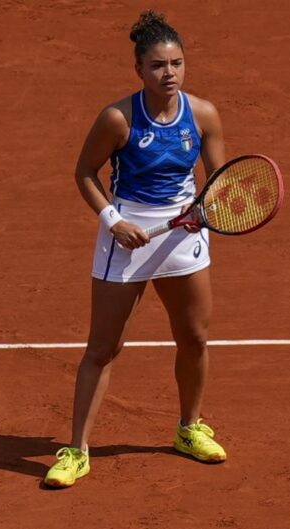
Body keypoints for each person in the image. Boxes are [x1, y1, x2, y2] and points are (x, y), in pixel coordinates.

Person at [45, 10, 228, 488]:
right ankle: (76, 451)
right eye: (157, 65)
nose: (169, 73)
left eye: (177, 63)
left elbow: (221, 185)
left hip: (184, 235)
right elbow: (84, 173)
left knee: (194, 338)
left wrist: (204, 211)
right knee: (104, 348)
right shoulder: (118, 118)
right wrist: (115, 221)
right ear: (139, 70)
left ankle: (189, 428)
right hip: (126, 235)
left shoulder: (203, 114)